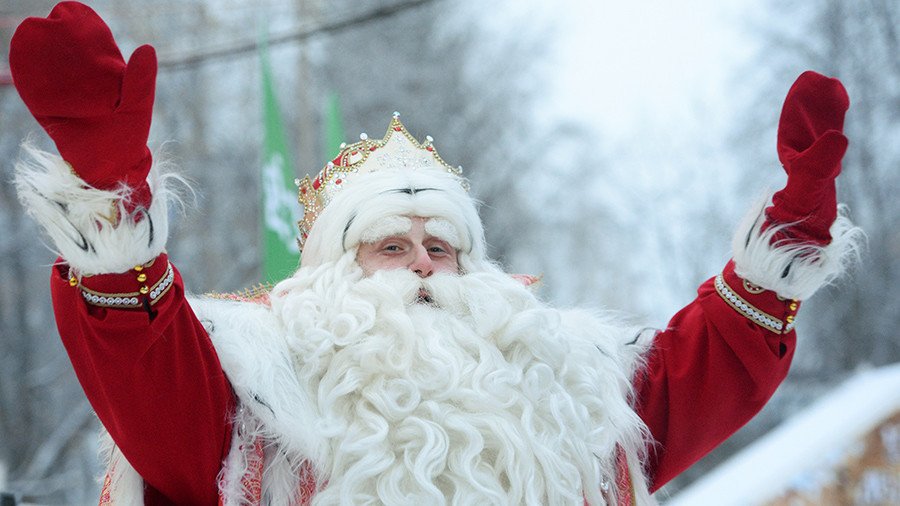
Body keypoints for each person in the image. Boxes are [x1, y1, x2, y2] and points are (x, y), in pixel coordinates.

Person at [9, 2, 862, 505]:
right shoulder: (262, 384)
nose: (423, 263)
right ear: (333, 271)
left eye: (441, 247)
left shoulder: (565, 387)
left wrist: (783, 244)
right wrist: (110, 202)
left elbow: (698, 373)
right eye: (390, 244)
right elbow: (152, 386)